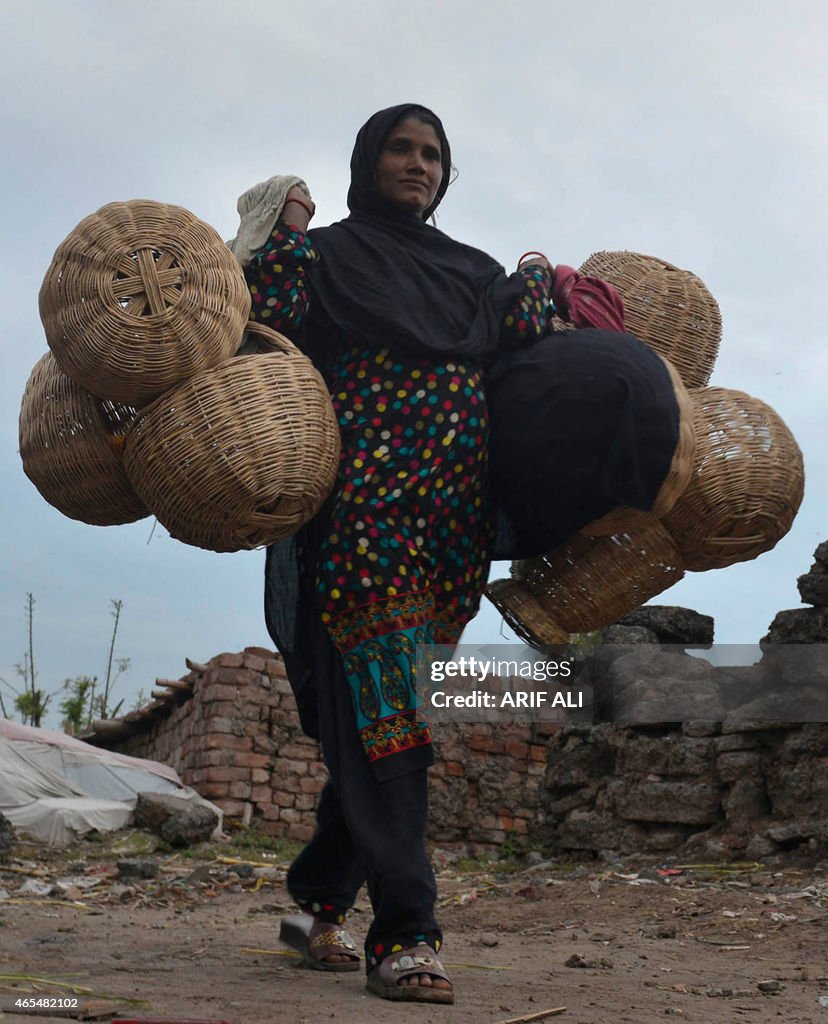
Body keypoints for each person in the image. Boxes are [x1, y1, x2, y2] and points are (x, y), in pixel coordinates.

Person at [233, 103, 622, 1005]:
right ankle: (406, 933)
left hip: (454, 525)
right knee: (390, 722)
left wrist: (551, 289)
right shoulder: (328, 256)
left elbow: (528, 341)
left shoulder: (471, 271)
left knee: (385, 722)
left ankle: (314, 904)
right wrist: (284, 230)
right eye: (401, 150)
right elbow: (268, 313)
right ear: (368, 162)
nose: (418, 165)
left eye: (433, 154)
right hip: (360, 511)